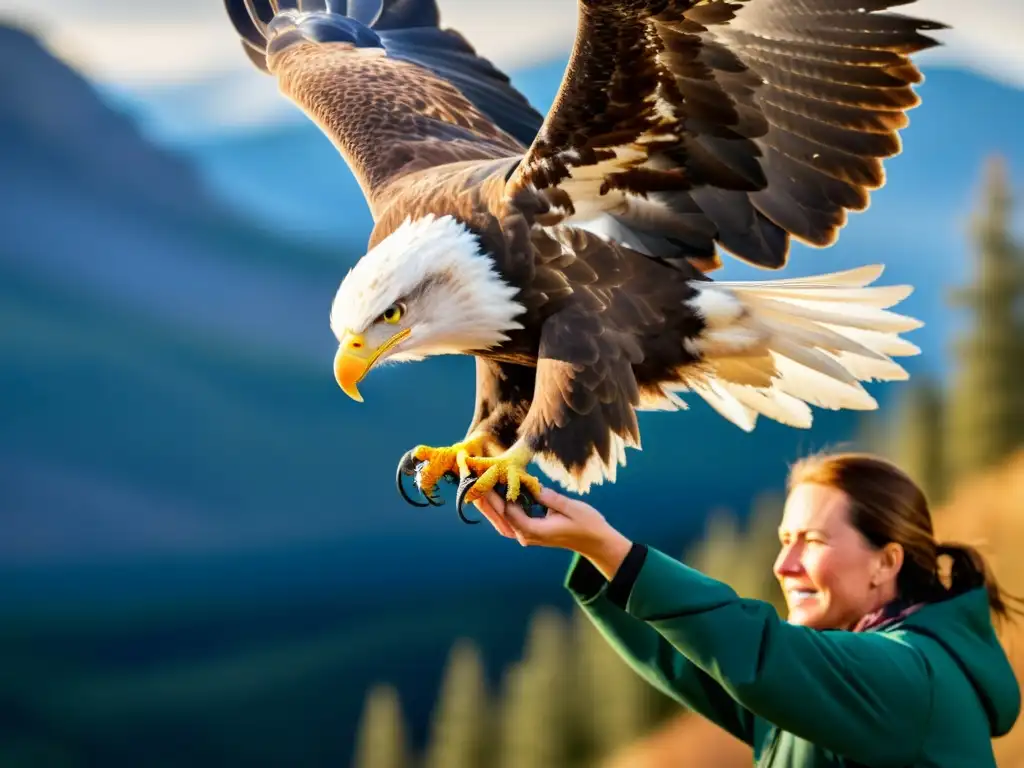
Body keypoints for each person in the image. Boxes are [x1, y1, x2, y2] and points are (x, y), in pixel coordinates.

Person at [471, 451, 1022, 767]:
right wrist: (592, 552)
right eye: (785, 539)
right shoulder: (835, 684)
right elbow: (698, 665)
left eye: (812, 540)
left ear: (886, 562)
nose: (785, 565)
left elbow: (761, 655)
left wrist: (616, 552)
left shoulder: (911, 679)